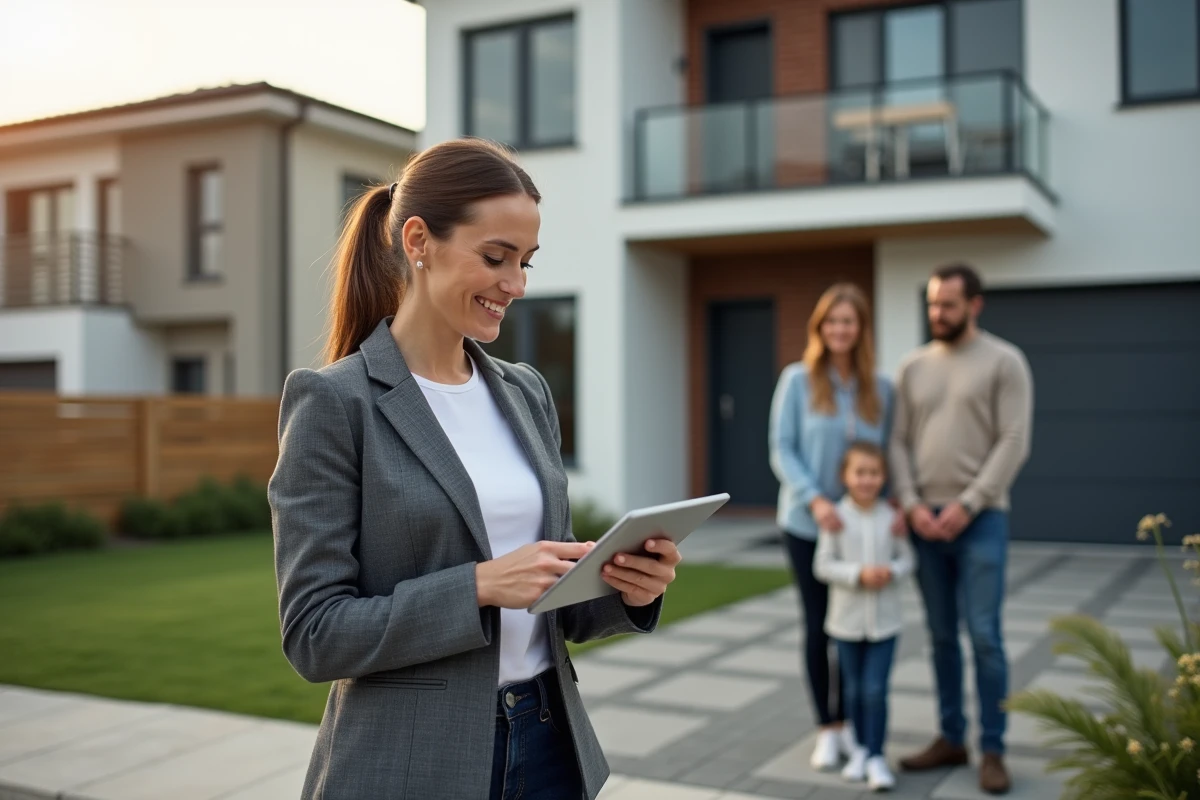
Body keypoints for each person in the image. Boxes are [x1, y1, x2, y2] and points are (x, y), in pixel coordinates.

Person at [268, 138, 681, 800]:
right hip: (412, 764)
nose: (515, 285)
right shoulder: (334, 403)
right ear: (418, 240)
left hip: (550, 744)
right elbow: (315, 635)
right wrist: (479, 585)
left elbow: (550, 605)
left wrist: (629, 588)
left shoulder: (526, 393)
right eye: (495, 258)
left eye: (525, 262)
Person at [888, 263, 1033, 795]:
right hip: (924, 521)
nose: (936, 314)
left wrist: (968, 505)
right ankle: (952, 737)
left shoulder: (1005, 361)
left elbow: (1014, 440)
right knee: (942, 638)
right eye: (931, 304)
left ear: (975, 304)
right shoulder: (912, 366)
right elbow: (898, 441)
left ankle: (992, 748)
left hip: (981, 521)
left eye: (947, 304)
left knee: (985, 637)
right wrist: (910, 504)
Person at [768, 283, 900, 771]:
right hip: (808, 523)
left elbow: (890, 452)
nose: (840, 330)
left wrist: (896, 504)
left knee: (855, 629)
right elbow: (782, 449)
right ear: (820, 328)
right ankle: (828, 727)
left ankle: (854, 726)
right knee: (819, 626)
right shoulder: (798, 381)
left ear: (861, 329)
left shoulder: (881, 388)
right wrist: (817, 500)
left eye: (849, 321)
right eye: (832, 322)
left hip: (862, 530)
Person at [815, 441, 913, 792]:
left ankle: (876, 755)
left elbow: (907, 560)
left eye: (873, 473)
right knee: (854, 690)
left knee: (875, 690)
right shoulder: (836, 518)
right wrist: (858, 574)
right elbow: (822, 565)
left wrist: (892, 571)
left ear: (883, 477)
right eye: (860, 472)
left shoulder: (892, 518)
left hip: (885, 624)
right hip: (846, 624)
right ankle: (857, 750)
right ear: (846, 476)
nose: (867, 480)